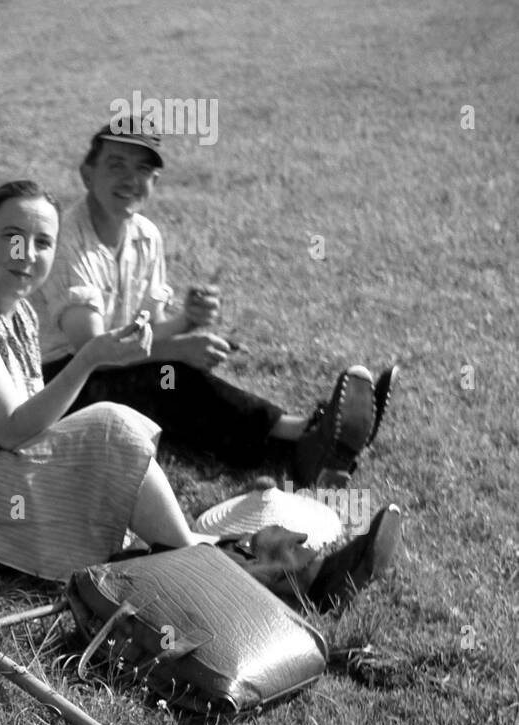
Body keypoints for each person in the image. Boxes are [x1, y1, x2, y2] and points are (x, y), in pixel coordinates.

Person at [0, 180, 400, 607]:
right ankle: (261, 566)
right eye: (12, 236)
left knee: (116, 445)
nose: (27, 253)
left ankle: (286, 562)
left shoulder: (15, 310)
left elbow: (23, 431)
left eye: (43, 242)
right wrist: (90, 359)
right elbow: (12, 427)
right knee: (113, 428)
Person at [33, 119, 399, 488]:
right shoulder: (68, 240)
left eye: (143, 169)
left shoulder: (146, 235)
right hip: (60, 385)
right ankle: (307, 433)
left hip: (116, 368)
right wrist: (175, 347)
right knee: (167, 379)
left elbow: (145, 330)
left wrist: (185, 322)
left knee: (171, 381)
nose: (130, 179)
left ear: (155, 184)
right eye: (116, 165)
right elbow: (90, 348)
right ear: (87, 173)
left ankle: (303, 447)